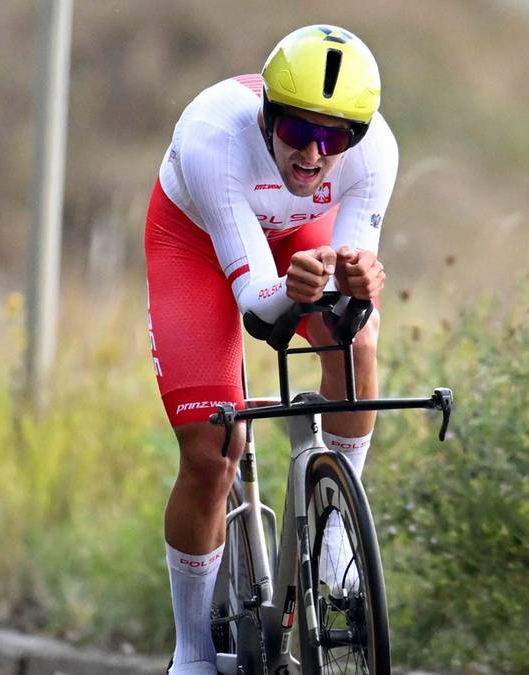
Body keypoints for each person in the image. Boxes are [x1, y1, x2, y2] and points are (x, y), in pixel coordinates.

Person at [143, 25, 394, 674]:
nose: (313, 154)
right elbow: (260, 307)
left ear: (358, 137)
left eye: (334, 138)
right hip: (197, 243)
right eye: (296, 132)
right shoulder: (214, 139)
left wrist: (356, 290)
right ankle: (193, 650)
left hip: (294, 239)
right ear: (266, 116)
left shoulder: (376, 154)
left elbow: (347, 292)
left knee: (358, 334)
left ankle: (338, 530)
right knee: (209, 451)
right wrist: (292, 288)